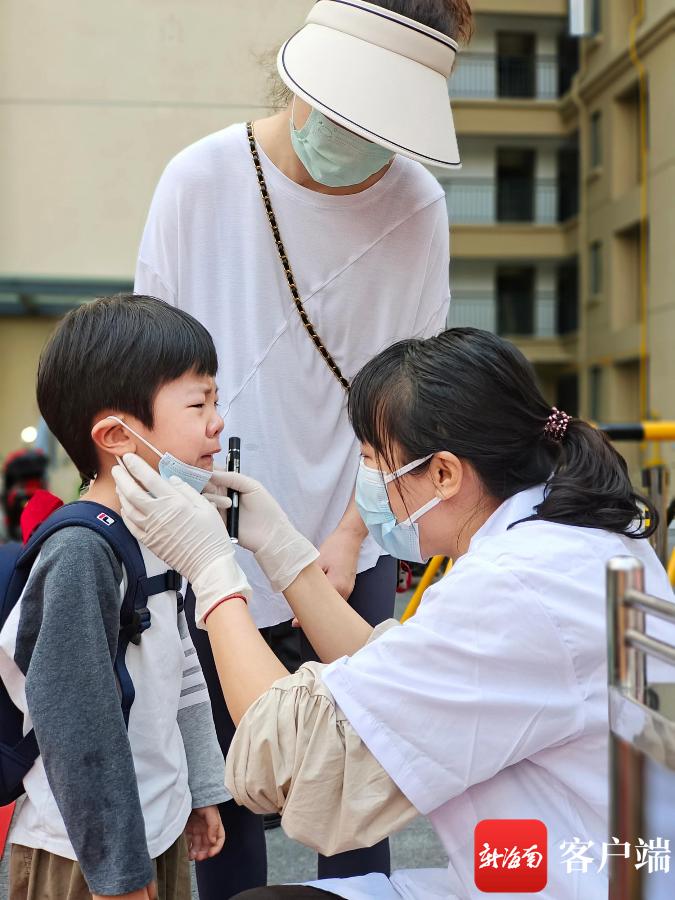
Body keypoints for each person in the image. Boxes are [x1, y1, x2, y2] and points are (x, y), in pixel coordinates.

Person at [113, 327, 675, 900]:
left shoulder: (515, 587)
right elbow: (393, 673)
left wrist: (212, 570)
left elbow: (290, 757)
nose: (369, 488)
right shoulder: (576, 540)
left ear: (445, 473)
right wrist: (281, 549)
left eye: (372, 462)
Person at [134, 0, 471, 891]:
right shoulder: (199, 180)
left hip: (340, 539)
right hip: (204, 538)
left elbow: (409, 391)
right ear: (306, 80)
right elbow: (148, 370)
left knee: (349, 793)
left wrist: (356, 534)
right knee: (227, 799)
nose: (364, 141)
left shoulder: (416, 205)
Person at [0, 295, 229, 900]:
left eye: (215, 398)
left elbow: (182, 670)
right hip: (85, 855)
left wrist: (201, 790)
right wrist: (120, 871)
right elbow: (78, 724)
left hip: (155, 827)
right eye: (198, 402)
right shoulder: (82, 552)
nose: (217, 421)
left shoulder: (162, 529)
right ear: (116, 436)